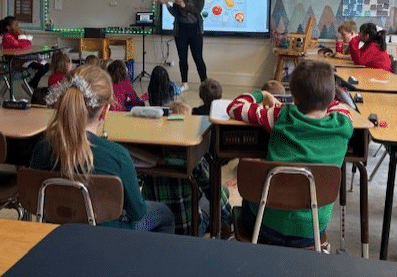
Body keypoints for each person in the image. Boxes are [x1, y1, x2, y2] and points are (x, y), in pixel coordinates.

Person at [29, 64, 174, 233]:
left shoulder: (41, 149)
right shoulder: (118, 155)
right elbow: (138, 212)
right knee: (166, 214)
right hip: (109, 237)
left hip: (59, 233)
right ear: (105, 111)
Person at [227, 61, 353, 247]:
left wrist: (262, 94)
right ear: (331, 96)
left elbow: (235, 107)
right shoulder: (343, 123)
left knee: (246, 203)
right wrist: (323, 96)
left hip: (264, 228)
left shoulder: (281, 115)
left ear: (293, 97)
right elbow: (339, 105)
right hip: (312, 232)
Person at [141, 100, 233, 236]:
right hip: (191, 230)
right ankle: (214, 228)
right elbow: (215, 193)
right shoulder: (195, 159)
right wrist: (228, 219)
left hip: (159, 228)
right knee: (221, 189)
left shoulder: (148, 157)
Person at [162, 0, 207, 91]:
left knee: (198, 58)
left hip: (195, 30)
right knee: (182, 58)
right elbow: (174, 13)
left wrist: (184, 5)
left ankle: (204, 83)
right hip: (181, 30)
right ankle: (184, 83)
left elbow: (198, 11)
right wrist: (167, 3)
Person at [0, 16, 50, 91]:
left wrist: (23, 36)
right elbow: (22, 46)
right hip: (16, 61)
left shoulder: (14, 36)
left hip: (24, 58)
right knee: (41, 67)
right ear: (8, 27)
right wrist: (23, 36)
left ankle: (32, 83)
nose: (18, 27)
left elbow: (28, 45)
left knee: (47, 65)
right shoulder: (7, 37)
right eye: (15, 25)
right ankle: (32, 84)